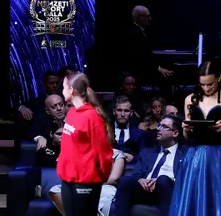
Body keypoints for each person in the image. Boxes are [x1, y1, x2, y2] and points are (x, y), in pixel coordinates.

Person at [169, 61, 221, 216]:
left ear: (218, 78)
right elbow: (186, 137)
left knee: (219, 198)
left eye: (210, 84)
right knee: (194, 198)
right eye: (203, 85)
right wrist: (186, 129)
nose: (206, 88)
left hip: (219, 157)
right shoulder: (190, 100)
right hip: (195, 156)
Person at [54, 72, 113, 216]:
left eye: (64, 87)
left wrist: (101, 176)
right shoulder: (71, 113)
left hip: (86, 180)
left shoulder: (92, 117)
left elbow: (103, 152)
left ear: (72, 90)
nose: (62, 91)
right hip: (67, 178)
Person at [112, 114, 185, 216]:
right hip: (145, 190)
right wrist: (141, 180)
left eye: (164, 127)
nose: (158, 129)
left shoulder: (185, 154)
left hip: (169, 191)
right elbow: (136, 175)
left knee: (163, 179)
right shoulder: (146, 153)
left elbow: (185, 179)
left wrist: (159, 180)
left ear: (175, 133)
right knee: (124, 181)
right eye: (159, 125)